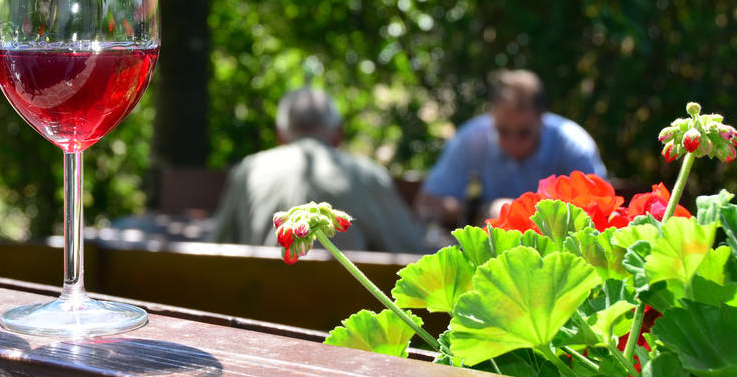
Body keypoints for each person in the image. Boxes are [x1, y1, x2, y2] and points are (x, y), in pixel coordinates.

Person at [211, 87, 423, 253]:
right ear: (338, 134)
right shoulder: (367, 174)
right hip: (350, 305)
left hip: (256, 305)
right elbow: (409, 249)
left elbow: (217, 244)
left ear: (279, 135)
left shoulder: (248, 170)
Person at [415, 69, 607, 226]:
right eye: (502, 131)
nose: (512, 142)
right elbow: (428, 202)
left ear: (542, 119)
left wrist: (523, 215)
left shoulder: (572, 145)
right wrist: (485, 211)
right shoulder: (471, 140)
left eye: (523, 133)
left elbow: (599, 208)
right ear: (492, 116)